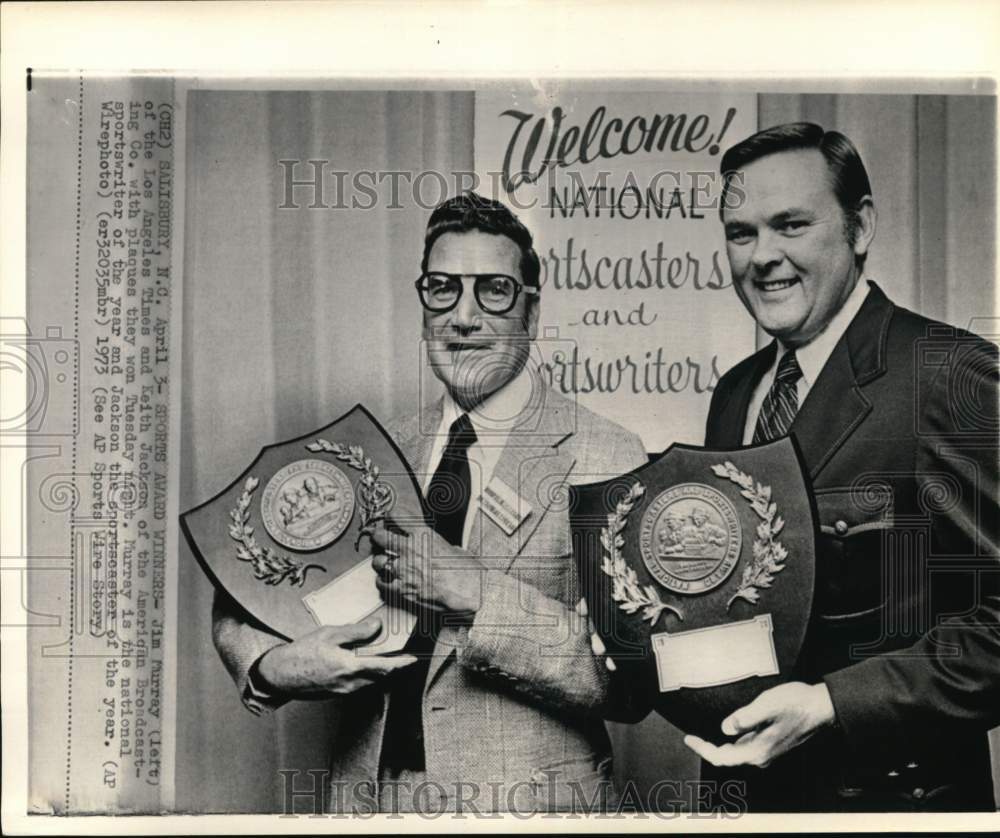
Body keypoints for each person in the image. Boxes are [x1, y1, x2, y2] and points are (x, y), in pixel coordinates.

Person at [212, 191, 648, 813]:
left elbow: (631, 678)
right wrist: (272, 667)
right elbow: (244, 585)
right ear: (423, 305)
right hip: (365, 802)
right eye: (443, 288)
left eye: (493, 290)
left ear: (531, 310)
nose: (463, 317)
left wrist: (475, 594)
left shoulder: (605, 454)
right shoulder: (375, 450)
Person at [687, 121, 1000, 811]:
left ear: (860, 228)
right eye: (741, 233)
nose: (762, 256)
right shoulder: (736, 393)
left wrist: (832, 704)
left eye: (791, 225)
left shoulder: (944, 374)